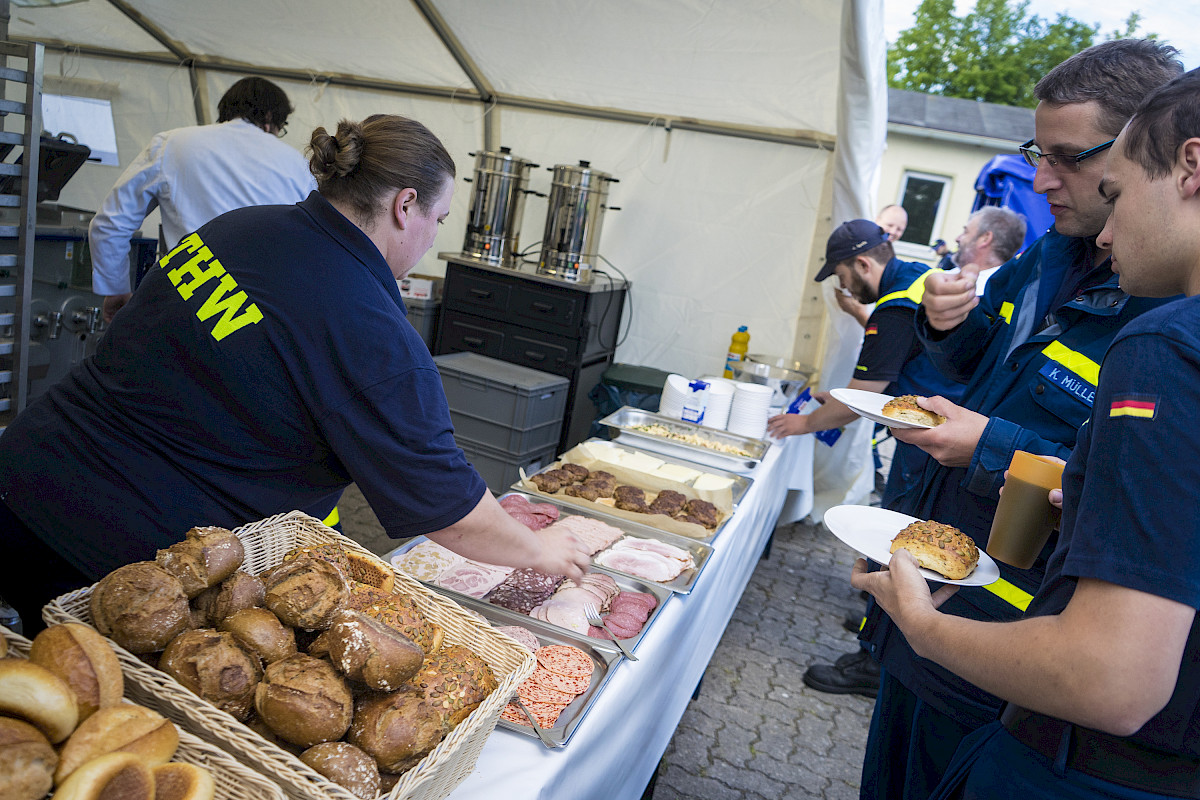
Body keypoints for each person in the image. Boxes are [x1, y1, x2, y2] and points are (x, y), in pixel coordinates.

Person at [0, 114, 590, 634]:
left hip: (25, 473)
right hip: (117, 556)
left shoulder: (240, 227)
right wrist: (539, 550)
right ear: (404, 205)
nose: (435, 238)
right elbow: (448, 508)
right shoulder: (370, 327)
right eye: (439, 219)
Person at [820, 39, 1183, 800]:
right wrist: (952, 329)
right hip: (935, 603)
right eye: (1034, 151)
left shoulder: (1164, 313)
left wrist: (992, 446)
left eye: (1064, 157)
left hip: (1009, 650)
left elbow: (1122, 483)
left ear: (1144, 152)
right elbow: (988, 381)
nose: (1039, 178)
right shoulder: (1049, 259)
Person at [767, 219, 964, 511]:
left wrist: (805, 423)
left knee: (902, 519)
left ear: (862, 264)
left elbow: (864, 394)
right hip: (950, 422)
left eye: (840, 275)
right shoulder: (917, 277)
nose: (843, 286)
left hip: (932, 440)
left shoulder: (894, 311)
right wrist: (839, 396)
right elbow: (900, 349)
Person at [88, 76, 317, 322]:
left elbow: (111, 224)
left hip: (188, 303)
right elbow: (312, 249)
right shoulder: (299, 166)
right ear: (270, 119)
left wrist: (116, 290)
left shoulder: (172, 144)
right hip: (266, 313)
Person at [836, 205, 910, 326]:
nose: (893, 232)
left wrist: (860, 314)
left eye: (899, 229)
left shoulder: (891, 258)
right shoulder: (857, 247)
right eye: (890, 225)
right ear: (877, 220)